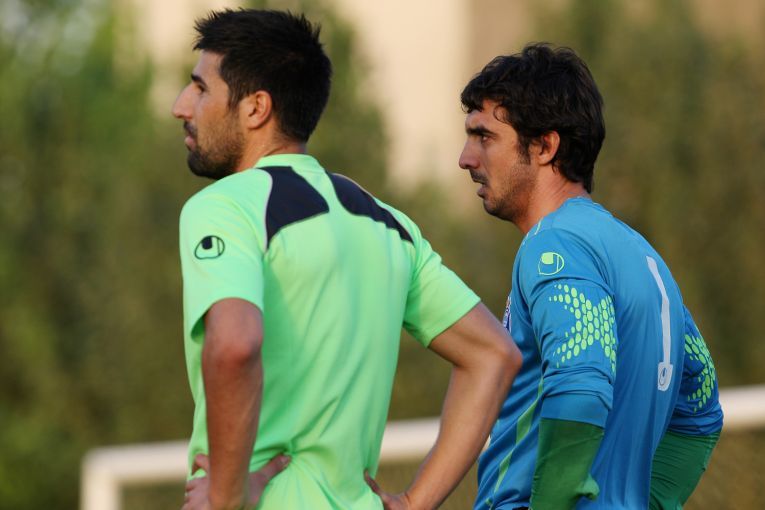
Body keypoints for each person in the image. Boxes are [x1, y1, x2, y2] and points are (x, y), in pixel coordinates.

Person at [171, 9, 521, 510]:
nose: (181, 106)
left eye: (200, 88)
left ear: (256, 108)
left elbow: (234, 344)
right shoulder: (388, 224)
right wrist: (414, 503)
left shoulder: (226, 207)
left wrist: (227, 497)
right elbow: (494, 354)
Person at [457, 43, 723, 509]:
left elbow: (580, 386)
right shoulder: (642, 255)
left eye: (485, 137)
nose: (466, 158)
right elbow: (700, 403)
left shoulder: (554, 244)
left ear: (545, 146)